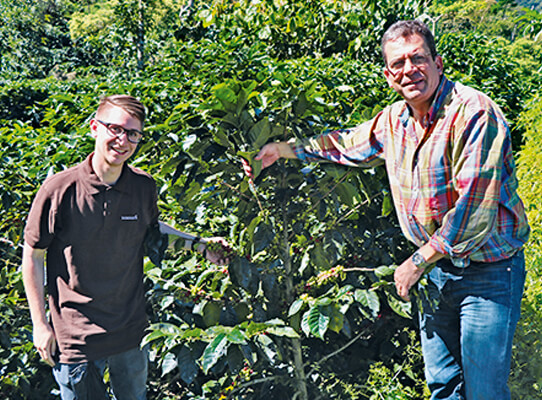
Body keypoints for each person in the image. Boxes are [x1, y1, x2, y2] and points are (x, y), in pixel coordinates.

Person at [253, 20, 530, 400]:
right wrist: (282, 150)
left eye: (417, 58)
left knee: (484, 390)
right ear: (388, 75)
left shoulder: (474, 113)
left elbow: (475, 208)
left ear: (438, 63)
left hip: (488, 272)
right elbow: (345, 144)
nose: (408, 70)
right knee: (443, 385)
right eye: (398, 63)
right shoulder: (393, 120)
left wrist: (417, 261)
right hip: (434, 275)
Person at [22, 94, 231, 400]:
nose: (124, 140)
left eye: (133, 134)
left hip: (130, 334)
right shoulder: (60, 189)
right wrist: (39, 324)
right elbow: (33, 255)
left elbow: (152, 231)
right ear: (95, 128)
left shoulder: (143, 186)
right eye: (115, 129)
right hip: (77, 338)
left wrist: (200, 245)